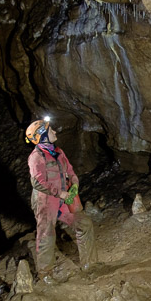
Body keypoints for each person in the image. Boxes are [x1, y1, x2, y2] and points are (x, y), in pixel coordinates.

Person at [25, 117, 94, 283]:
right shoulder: (36, 157)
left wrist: (75, 183)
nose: (55, 132)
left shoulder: (58, 152)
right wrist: (60, 193)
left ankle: (89, 265)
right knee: (47, 235)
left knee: (84, 224)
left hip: (64, 199)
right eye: (50, 131)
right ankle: (45, 275)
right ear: (42, 136)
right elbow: (37, 182)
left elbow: (70, 170)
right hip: (45, 202)